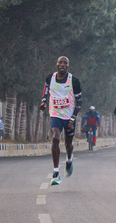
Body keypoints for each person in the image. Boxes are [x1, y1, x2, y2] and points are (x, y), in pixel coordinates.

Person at [39, 56, 82, 186]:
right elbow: (46, 91)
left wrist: (73, 118)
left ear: (68, 66)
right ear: (56, 65)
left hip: (69, 116)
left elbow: (79, 102)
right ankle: (56, 172)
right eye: (60, 62)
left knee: (68, 144)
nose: (62, 65)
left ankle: (69, 159)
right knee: (55, 138)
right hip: (55, 114)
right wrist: (44, 102)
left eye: (65, 63)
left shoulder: (74, 81)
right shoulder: (50, 78)